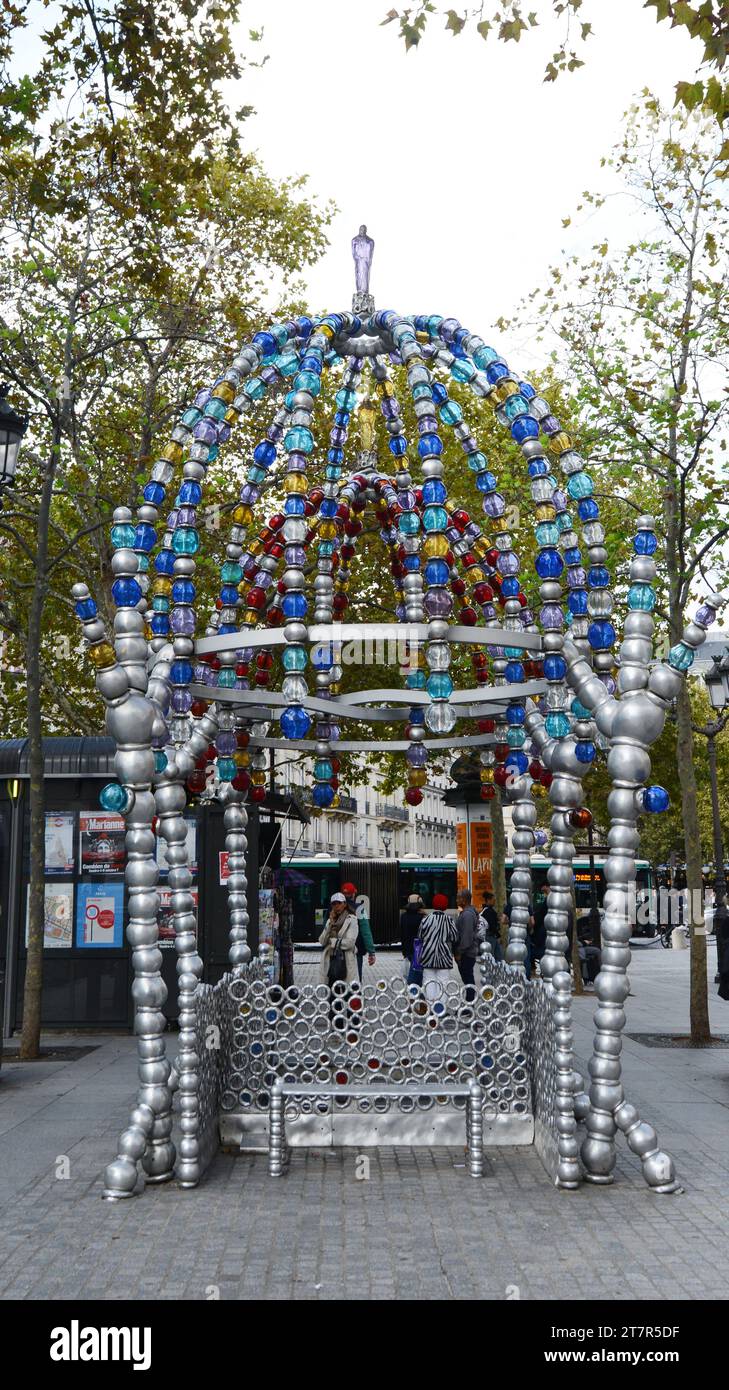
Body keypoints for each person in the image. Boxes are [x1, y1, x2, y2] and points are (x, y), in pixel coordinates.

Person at [419, 891, 459, 1006]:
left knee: (429, 983)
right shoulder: (449, 920)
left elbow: (420, 936)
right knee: (443, 983)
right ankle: (440, 1009)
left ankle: (431, 1008)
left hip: (428, 957)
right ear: (445, 906)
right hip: (444, 958)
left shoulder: (426, 919)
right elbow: (455, 937)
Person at [319, 892, 359, 986]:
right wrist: (330, 924)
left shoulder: (351, 919)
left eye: (339, 903)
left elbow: (350, 942)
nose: (336, 906)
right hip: (331, 960)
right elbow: (322, 941)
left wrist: (334, 942)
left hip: (346, 960)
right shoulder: (330, 921)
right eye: (334, 903)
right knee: (332, 991)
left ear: (344, 904)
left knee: (346, 991)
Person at [341, 881, 376, 981]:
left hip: (337, 950)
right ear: (354, 894)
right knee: (355, 979)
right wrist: (371, 952)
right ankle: (354, 994)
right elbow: (365, 931)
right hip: (355, 949)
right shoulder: (359, 909)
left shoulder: (334, 908)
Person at [455, 888, 480, 998]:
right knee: (467, 980)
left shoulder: (467, 915)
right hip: (467, 952)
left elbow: (467, 936)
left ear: (464, 900)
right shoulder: (467, 913)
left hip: (466, 953)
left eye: (458, 898)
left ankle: (469, 1005)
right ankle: (469, 1005)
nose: (456, 900)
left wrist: (459, 952)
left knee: (468, 980)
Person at [400, 893, 425, 985]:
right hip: (419, 950)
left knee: (413, 972)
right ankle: (415, 994)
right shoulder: (422, 917)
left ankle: (414, 994)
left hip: (408, 949)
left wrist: (404, 952)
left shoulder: (403, 917)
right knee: (417, 975)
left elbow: (402, 934)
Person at [480, 890, 502, 962]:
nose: (494, 901)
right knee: (493, 956)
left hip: (491, 936)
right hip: (490, 936)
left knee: (496, 955)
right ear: (488, 900)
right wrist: (498, 935)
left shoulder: (486, 910)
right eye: (493, 900)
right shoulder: (488, 911)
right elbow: (492, 926)